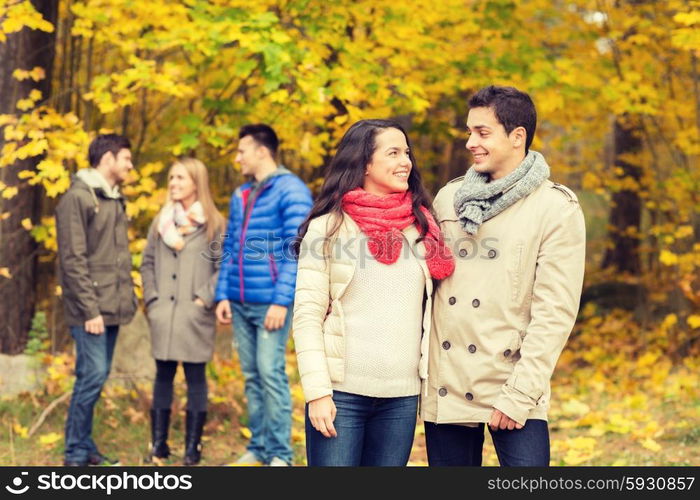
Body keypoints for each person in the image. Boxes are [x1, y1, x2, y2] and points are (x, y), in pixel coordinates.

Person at [422, 85, 586, 466]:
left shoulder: (554, 208)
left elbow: (555, 313)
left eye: (482, 132)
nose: (470, 143)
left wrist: (521, 393)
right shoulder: (449, 198)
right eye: (469, 131)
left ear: (517, 137)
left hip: (511, 379)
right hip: (449, 377)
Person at [292, 119, 455, 466]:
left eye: (407, 153)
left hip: (402, 398)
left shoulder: (424, 227)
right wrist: (318, 392)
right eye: (393, 153)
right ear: (364, 163)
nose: (405, 162)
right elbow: (306, 317)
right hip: (341, 394)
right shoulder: (328, 228)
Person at [214, 124, 313, 466]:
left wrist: (280, 301)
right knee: (253, 377)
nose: (237, 157)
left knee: (271, 374)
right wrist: (222, 294)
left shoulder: (292, 191)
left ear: (262, 151)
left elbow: (296, 250)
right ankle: (258, 448)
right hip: (240, 302)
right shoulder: (241, 194)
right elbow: (230, 248)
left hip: (270, 302)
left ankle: (280, 455)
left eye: (242, 150)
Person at [56, 134, 137, 466]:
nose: (131, 166)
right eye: (126, 159)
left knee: (96, 376)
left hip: (112, 307)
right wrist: (90, 310)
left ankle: (85, 446)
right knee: (91, 376)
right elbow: (72, 260)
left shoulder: (114, 198)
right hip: (90, 311)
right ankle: (74, 453)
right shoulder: (77, 198)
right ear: (108, 158)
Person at [140, 158, 225, 465]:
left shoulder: (214, 224)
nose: (173, 183)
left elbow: (223, 268)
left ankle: (193, 448)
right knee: (162, 375)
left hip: (195, 315)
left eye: (180, 178)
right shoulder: (160, 222)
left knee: (195, 378)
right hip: (164, 313)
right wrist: (152, 300)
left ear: (196, 183)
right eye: (171, 177)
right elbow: (147, 262)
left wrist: (204, 299)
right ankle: (159, 445)